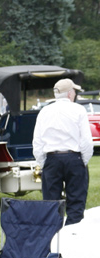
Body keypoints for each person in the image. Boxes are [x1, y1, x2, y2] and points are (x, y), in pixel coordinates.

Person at [33, 78, 92, 225]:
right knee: (76, 203)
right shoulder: (79, 110)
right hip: (74, 158)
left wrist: (44, 162)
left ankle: (53, 239)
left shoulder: (44, 111)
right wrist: (82, 161)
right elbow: (86, 140)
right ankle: (73, 237)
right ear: (70, 93)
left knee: (51, 204)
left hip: (52, 159)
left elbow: (37, 142)